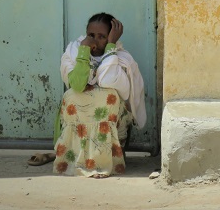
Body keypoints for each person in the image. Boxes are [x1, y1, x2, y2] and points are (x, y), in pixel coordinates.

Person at [28, 13, 146, 178]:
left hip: (112, 124)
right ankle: (72, 156)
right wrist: (84, 52)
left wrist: (110, 47)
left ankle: (104, 158)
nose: (95, 41)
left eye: (102, 36)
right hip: (79, 121)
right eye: (91, 35)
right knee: (72, 95)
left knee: (108, 96)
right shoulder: (73, 52)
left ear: (112, 37)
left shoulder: (122, 60)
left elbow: (107, 80)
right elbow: (77, 84)